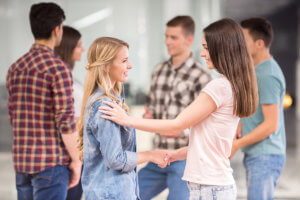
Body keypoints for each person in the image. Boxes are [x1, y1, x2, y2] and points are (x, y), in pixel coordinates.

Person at [99, 18, 258, 200]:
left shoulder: (219, 87)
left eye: (206, 47)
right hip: (212, 186)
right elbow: (209, 145)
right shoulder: (229, 85)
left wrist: (126, 119)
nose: (203, 54)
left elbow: (177, 125)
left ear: (221, 48)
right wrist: (176, 154)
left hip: (210, 189)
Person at [6, 2, 81, 200]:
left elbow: (14, 117)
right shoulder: (58, 68)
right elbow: (66, 122)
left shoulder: (15, 68)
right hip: (50, 165)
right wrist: (76, 160)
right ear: (57, 30)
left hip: (22, 164)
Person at [77, 37, 169, 199]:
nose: (130, 66)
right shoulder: (105, 106)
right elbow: (116, 160)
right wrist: (151, 155)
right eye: (124, 61)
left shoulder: (109, 101)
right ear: (106, 66)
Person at [139, 15, 211, 200]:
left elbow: (206, 124)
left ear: (189, 40)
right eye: (166, 36)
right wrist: (148, 116)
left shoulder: (201, 77)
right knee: (127, 194)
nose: (167, 42)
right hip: (157, 156)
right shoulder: (158, 71)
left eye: (173, 37)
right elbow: (152, 108)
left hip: (185, 160)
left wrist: (181, 132)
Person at [229, 18, 286, 200]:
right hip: (258, 155)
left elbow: (271, 125)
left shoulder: (267, 75)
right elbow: (254, 114)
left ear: (259, 44)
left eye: (243, 39)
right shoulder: (258, 70)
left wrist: (237, 144)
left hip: (265, 156)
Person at [55, 25, 84, 200]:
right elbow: (68, 121)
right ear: (68, 46)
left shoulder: (69, 75)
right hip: (68, 155)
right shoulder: (63, 78)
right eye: (79, 44)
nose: (83, 49)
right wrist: (76, 159)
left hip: (76, 152)